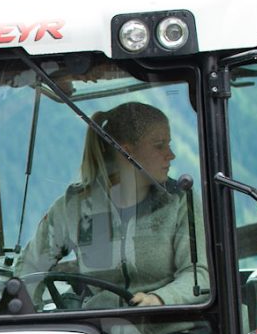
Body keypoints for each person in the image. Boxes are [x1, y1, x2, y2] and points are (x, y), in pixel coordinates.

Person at [14, 101, 206, 308]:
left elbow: (199, 275)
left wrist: (159, 299)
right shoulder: (75, 206)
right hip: (100, 329)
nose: (171, 155)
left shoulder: (178, 200)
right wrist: (28, 314)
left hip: (171, 327)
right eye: (160, 146)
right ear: (127, 153)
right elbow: (30, 267)